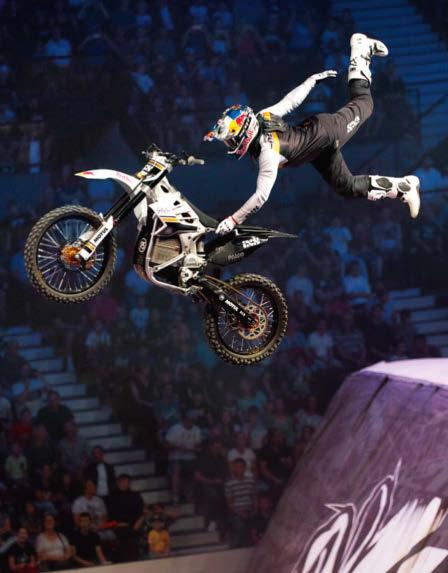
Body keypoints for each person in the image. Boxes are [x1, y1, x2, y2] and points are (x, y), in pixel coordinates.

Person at [204, 33, 420, 237]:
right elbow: (289, 102)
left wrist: (233, 220)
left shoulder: (268, 154)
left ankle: (361, 49)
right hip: (316, 148)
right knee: (347, 187)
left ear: (245, 132)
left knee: (365, 103)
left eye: (231, 139)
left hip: (327, 133)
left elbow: (260, 197)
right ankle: (403, 187)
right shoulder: (261, 116)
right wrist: (310, 82)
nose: (230, 144)